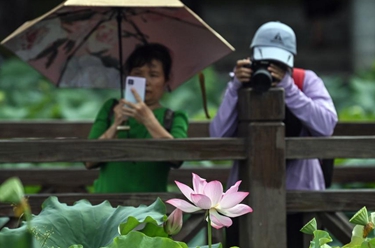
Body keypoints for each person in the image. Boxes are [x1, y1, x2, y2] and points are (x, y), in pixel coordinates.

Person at [209, 21, 338, 247]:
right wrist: (234, 87)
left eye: (279, 63)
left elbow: (327, 126)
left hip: (301, 197)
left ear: (291, 60)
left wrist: (289, 88)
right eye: (265, 62)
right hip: (246, 199)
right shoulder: (240, 83)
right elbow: (217, 136)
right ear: (252, 58)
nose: (271, 69)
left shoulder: (304, 80)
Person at [85, 43, 188, 193]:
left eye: (153, 75)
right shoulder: (110, 109)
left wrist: (148, 120)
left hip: (150, 208)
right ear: (127, 77)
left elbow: (177, 157)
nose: (145, 82)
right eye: (138, 74)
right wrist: (115, 126)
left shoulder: (173, 117)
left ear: (167, 80)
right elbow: (89, 161)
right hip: (106, 206)